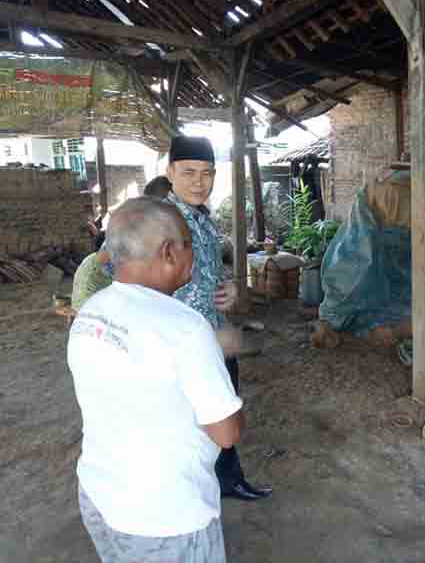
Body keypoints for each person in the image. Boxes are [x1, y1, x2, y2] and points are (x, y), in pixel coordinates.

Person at [67, 197, 243, 563]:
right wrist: (222, 362)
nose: (193, 253)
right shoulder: (187, 329)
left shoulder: (90, 313)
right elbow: (226, 434)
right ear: (168, 252)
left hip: (100, 495)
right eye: (188, 244)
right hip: (165, 516)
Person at [166, 135, 272, 501]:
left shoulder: (203, 219)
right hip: (181, 349)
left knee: (221, 409)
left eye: (207, 173)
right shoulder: (159, 220)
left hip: (215, 339)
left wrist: (229, 289)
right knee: (191, 426)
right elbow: (117, 270)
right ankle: (195, 493)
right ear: (169, 173)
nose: (199, 181)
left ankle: (226, 479)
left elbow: (211, 271)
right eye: (189, 172)